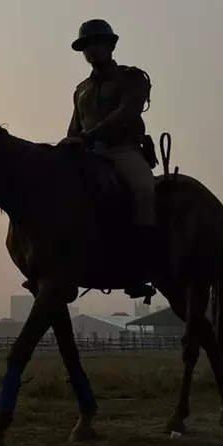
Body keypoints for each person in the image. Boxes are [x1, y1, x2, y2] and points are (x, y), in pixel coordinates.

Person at [60, 19, 156, 299]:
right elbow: (73, 127)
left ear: (111, 45)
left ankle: (139, 268)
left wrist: (88, 137)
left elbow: (126, 113)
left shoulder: (132, 78)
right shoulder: (80, 90)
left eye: (96, 43)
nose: (91, 50)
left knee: (143, 190)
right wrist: (68, 146)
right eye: (86, 46)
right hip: (87, 155)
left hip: (122, 150)